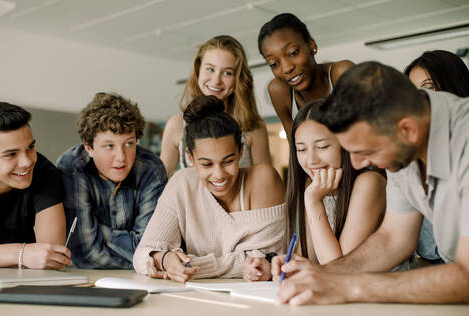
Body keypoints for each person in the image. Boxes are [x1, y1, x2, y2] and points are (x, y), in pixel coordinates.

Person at [272, 61, 469, 305]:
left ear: (407, 130)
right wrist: (322, 273)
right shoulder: (403, 145)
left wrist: (350, 287)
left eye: (366, 151)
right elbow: (392, 239)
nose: (356, 164)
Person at [133, 95, 285, 282]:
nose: (219, 174)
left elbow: (264, 259)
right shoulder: (182, 184)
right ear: (190, 157)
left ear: (240, 151)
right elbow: (142, 255)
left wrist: (189, 265)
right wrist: (165, 259)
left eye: (228, 161)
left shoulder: (263, 179)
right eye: (206, 164)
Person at [244, 99, 386, 281]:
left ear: (346, 144)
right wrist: (272, 267)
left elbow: (338, 269)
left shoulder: (369, 182)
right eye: (301, 149)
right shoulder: (312, 186)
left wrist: (313, 202)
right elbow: (309, 261)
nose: (311, 160)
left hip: (381, 297)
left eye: (322, 147)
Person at [57, 92, 167, 269]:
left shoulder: (151, 169)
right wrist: (145, 260)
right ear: (89, 148)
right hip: (82, 278)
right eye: (109, 146)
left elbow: (150, 246)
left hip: (138, 280)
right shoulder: (73, 168)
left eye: (129, 143)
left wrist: (100, 233)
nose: (121, 157)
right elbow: (85, 252)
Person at [160, 35, 271, 177]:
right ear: (198, 69)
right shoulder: (177, 125)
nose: (216, 80)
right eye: (210, 69)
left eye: (227, 73)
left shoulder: (254, 126)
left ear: (238, 79)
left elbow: (265, 182)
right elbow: (160, 186)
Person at [0, 102, 71, 269]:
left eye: (30, 148)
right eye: (11, 154)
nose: (27, 162)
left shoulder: (45, 174)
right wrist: (22, 254)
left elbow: (51, 258)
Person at [405, 50, 469, 265]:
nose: (420, 100)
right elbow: (392, 239)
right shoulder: (410, 154)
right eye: (413, 93)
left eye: (429, 88)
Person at [257, 13, 353, 141]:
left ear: (311, 45)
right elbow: (295, 148)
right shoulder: (279, 91)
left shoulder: (341, 73)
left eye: (293, 53)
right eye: (274, 64)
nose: (286, 68)